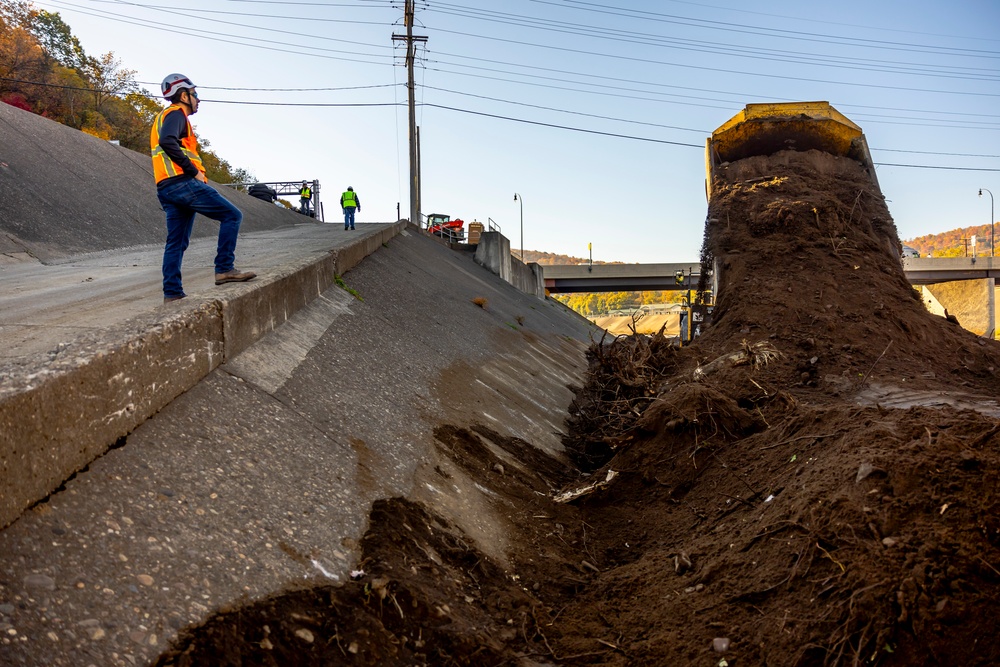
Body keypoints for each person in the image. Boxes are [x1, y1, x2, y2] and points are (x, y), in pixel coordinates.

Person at [151, 73, 256, 304]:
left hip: (166, 187)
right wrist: (193, 171)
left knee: (176, 243)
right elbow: (167, 142)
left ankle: (173, 293)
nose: (198, 99)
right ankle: (224, 269)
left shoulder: (163, 117)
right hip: (182, 183)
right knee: (232, 215)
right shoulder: (176, 114)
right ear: (184, 95)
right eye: (195, 94)